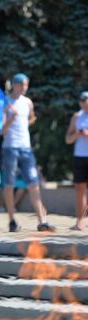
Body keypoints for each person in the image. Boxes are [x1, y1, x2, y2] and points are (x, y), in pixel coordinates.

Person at [0, 73, 54, 232]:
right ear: (15, 85)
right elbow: (1, 131)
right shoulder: (6, 103)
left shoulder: (28, 102)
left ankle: (42, 221)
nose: (25, 87)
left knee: (33, 184)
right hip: (10, 148)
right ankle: (12, 220)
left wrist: (24, 123)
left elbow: (31, 118)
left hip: (26, 148)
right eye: (22, 84)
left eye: (26, 85)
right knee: (9, 185)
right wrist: (12, 118)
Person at [65, 90, 88, 231]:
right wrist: (77, 134)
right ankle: (80, 222)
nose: (85, 105)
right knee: (80, 190)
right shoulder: (76, 117)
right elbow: (68, 139)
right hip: (79, 157)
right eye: (83, 103)